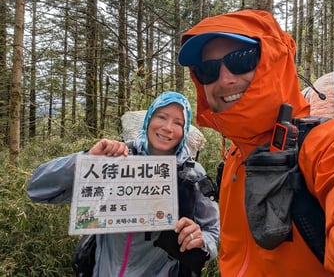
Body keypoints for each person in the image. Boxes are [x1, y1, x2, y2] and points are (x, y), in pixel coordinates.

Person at [177, 9, 334, 277]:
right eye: (208, 70)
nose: (224, 79)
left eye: (242, 59)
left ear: (275, 60)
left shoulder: (332, 146)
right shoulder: (234, 159)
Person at [27, 91, 219, 277]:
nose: (168, 127)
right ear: (149, 119)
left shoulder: (192, 174)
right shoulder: (116, 160)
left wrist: (200, 240)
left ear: (184, 131)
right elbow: (37, 189)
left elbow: (213, 232)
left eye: (178, 122)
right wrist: (87, 160)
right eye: (161, 116)